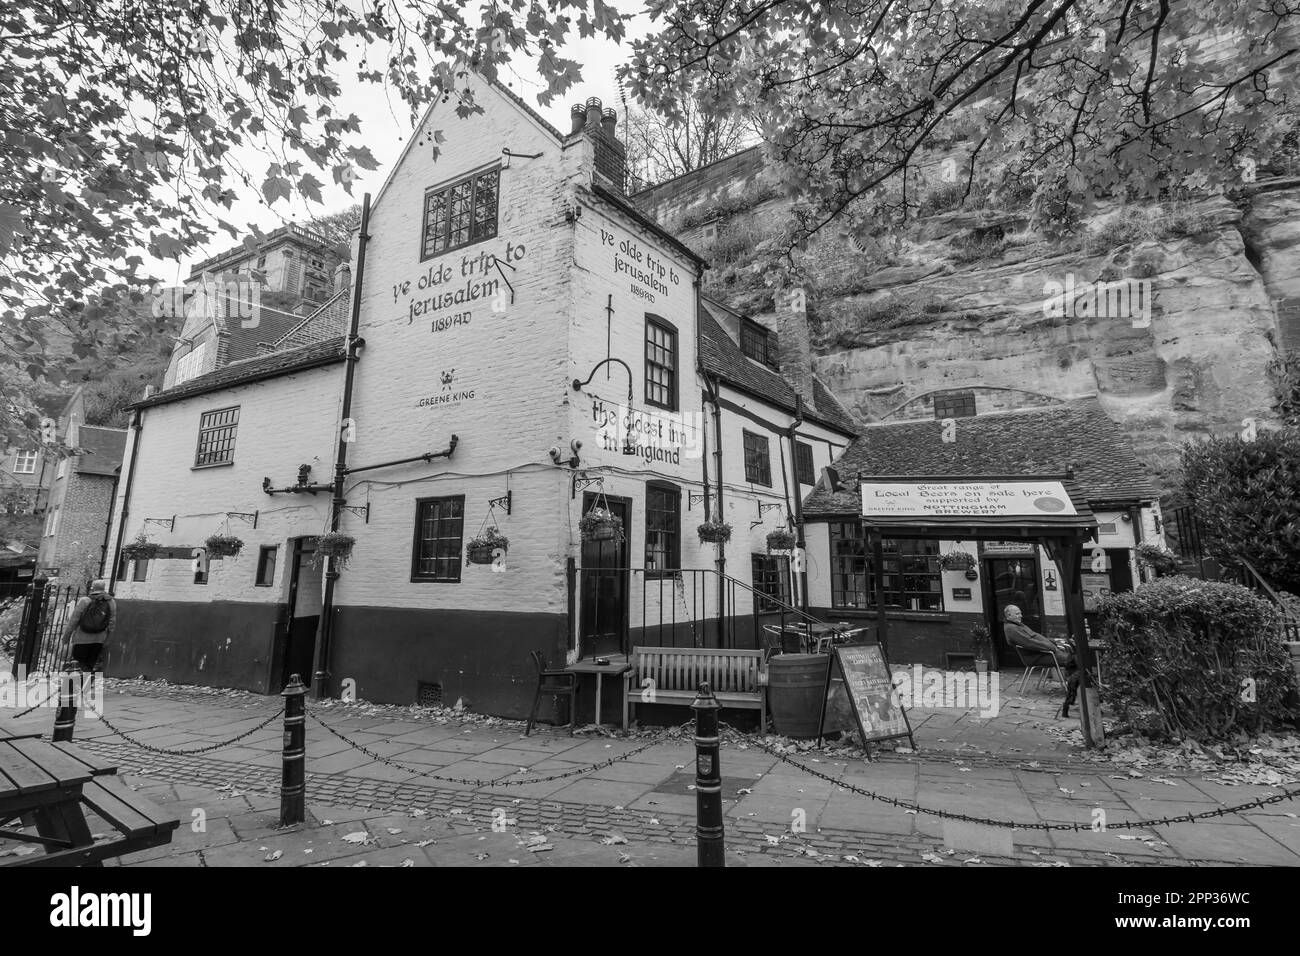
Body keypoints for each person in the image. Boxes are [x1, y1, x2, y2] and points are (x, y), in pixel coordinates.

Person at [1002, 604, 1080, 717]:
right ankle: (1073, 693)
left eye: (1020, 613)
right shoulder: (1012, 629)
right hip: (1037, 656)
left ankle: (1075, 688)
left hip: (1044, 652)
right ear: (1009, 615)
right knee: (1074, 661)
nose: (1021, 615)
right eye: (1017, 613)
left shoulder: (1017, 624)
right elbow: (1030, 643)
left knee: (1072, 654)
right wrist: (1051, 647)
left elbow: (1036, 636)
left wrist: (1052, 642)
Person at [62, 579, 116, 676]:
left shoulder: (85, 600)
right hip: (99, 639)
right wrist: (108, 639)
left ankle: (70, 688)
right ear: (104, 588)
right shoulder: (111, 602)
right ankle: (85, 687)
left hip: (81, 638)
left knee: (77, 665)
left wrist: (66, 636)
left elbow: (74, 620)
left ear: (92, 588)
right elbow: (112, 623)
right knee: (90, 664)